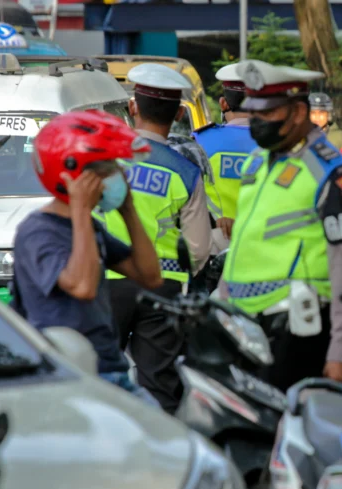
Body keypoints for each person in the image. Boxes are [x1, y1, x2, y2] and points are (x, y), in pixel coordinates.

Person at [219, 59, 342, 391]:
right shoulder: (257, 161)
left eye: (267, 113)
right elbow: (244, 240)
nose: (256, 121)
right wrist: (221, 305)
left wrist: (341, 351)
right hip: (246, 326)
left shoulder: (333, 173)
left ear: (298, 114)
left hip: (298, 330)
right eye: (253, 111)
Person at [12, 110, 163, 403]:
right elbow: (82, 285)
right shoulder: (37, 232)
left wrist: (128, 208)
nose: (118, 174)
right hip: (70, 376)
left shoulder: (88, 228)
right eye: (107, 168)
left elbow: (150, 275)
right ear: (74, 173)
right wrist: (81, 209)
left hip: (109, 368)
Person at [99, 63, 212, 414]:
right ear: (179, 114)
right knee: (159, 383)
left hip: (106, 280)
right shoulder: (186, 171)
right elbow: (198, 251)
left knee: (99, 375)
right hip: (163, 288)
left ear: (133, 107)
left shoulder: (104, 157)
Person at [193, 63, 258, 252]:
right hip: (262, 242)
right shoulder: (277, 144)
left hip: (216, 243)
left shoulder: (200, 141)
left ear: (223, 103)